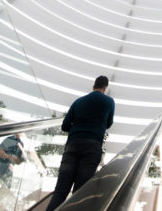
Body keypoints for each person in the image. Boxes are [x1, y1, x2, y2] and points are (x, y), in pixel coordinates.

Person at [46, 76, 115, 211]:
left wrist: (79, 128)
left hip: (72, 146)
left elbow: (65, 125)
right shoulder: (109, 101)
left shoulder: (79, 102)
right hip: (92, 147)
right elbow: (109, 123)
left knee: (60, 191)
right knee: (80, 192)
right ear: (105, 87)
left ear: (93, 85)